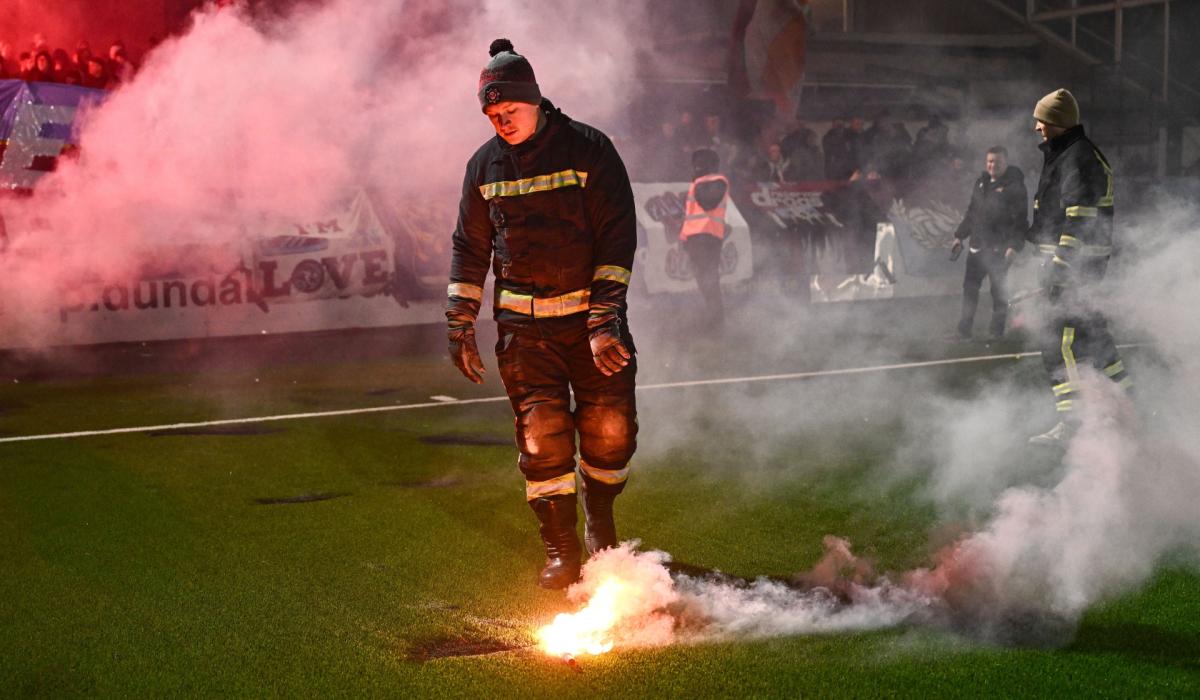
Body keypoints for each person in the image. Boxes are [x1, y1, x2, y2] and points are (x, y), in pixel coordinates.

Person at [446, 39, 638, 589]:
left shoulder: (589, 150)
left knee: (610, 433)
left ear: (535, 99)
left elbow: (617, 238)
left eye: (508, 110)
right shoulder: (483, 166)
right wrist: (460, 320)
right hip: (524, 333)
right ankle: (561, 551)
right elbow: (469, 247)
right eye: (491, 114)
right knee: (541, 438)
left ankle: (600, 520)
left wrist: (604, 321)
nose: (500, 122)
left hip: (589, 327)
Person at [1025, 88, 1131, 446]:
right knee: (1094, 337)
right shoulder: (1068, 152)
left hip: (1075, 268)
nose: (1037, 126)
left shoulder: (1076, 156)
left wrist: (1057, 267)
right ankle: (1130, 405)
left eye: (1042, 119)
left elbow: (1079, 218)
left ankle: (1072, 424)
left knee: (1060, 341)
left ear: (1056, 122)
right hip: (1076, 266)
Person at [950, 146, 1028, 339]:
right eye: (990, 161)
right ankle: (963, 331)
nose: (993, 165)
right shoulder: (981, 183)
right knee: (969, 291)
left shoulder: (1014, 186)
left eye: (997, 161)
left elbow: (1021, 220)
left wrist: (1014, 246)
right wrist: (959, 236)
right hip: (977, 248)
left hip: (998, 250)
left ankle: (996, 333)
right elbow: (971, 213)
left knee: (998, 293)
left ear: (1006, 163)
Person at [679, 148, 728, 326]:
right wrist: (684, 237)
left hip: (708, 238)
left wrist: (698, 181)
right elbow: (691, 214)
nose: (696, 167)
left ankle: (716, 321)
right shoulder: (698, 183)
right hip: (695, 239)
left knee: (710, 280)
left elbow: (707, 202)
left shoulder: (719, 181)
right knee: (703, 280)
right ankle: (712, 319)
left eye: (699, 163)